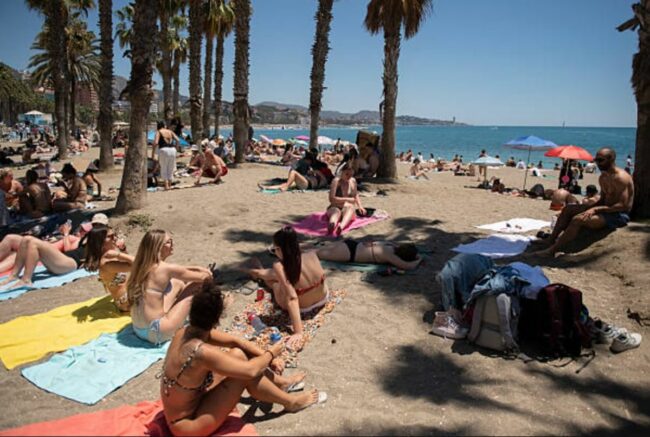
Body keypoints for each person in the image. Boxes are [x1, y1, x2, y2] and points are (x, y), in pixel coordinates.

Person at [160, 281, 325, 436]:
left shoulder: (185, 332)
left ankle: (282, 383)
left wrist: (268, 358)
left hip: (192, 403)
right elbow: (251, 371)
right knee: (244, 375)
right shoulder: (201, 352)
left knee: (238, 354)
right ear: (217, 320)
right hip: (187, 426)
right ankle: (291, 402)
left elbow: (236, 341)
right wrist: (271, 353)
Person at [533, 148, 633, 257]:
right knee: (568, 209)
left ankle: (552, 251)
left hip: (618, 215)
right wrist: (588, 207)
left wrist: (595, 209)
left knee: (578, 219)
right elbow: (602, 200)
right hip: (605, 209)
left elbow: (623, 205)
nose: (597, 163)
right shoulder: (603, 177)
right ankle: (550, 240)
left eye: (600, 160)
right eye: (596, 160)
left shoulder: (621, 178)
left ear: (611, 159)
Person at [246, 227, 328, 351]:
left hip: (304, 306)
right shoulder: (310, 253)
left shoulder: (279, 266)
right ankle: (259, 272)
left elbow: (292, 298)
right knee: (279, 277)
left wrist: (298, 332)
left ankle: (257, 272)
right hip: (323, 297)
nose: (275, 252)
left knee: (275, 284)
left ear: (279, 249)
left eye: (274, 249)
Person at [127, 229, 213, 344]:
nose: (173, 244)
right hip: (158, 333)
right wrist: (207, 272)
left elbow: (178, 270)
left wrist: (197, 268)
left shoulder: (140, 265)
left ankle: (179, 315)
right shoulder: (167, 269)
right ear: (158, 247)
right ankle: (204, 317)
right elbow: (204, 277)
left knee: (177, 282)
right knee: (197, 284)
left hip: (138, 329)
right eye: (168, 242)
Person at [0, 220, 88, 289]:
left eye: (83, 230)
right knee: (23, 239)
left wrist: (66, 234)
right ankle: (14, 275)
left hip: (65, 261)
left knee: (31, 243)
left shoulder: (76, 239)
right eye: (80, 228)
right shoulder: (79, 239)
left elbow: (68, 249)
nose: (80, 231)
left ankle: (26, 279)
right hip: (55, 257)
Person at [83, 224, 133, 312]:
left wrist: (122, 249)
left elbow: (129, 263)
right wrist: (118, 254)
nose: (115, 238)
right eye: (110, 236)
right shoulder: (106, 263)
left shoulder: (107, 256)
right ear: (100, 241)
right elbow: (137, 264)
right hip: (127, 303)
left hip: (128, 297)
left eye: (114, 235)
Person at [316, 239, 422, 270]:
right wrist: (419, 259)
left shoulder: (390, 244)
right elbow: (408, 266)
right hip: (349, 253)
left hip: (352, 243)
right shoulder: (390, 256)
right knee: (315, 253)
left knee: (315, 249)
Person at [327, 162, 364, 236]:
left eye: (351, 175)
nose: (349, 177)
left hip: (347, 207)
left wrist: (360, 206)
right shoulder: (336, 181)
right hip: (335, 206)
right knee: (336, 212)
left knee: (350, 208)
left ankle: (341, 226)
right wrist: (347, 199)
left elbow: (355, 194)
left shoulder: (352, 181)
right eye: (347, 174)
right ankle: (332, 224)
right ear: (341, 172)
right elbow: (331, 199)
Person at [152, 121, 181, 191]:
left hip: (164, 150)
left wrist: (153, 153)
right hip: (172, 150)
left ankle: (166, 186)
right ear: (164, 125)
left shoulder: (159, 132)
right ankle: (170, 185)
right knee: (171, 168)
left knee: (164, 167)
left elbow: (156, 142)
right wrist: (176, 149)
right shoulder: (170, 131)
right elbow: (178, 140)